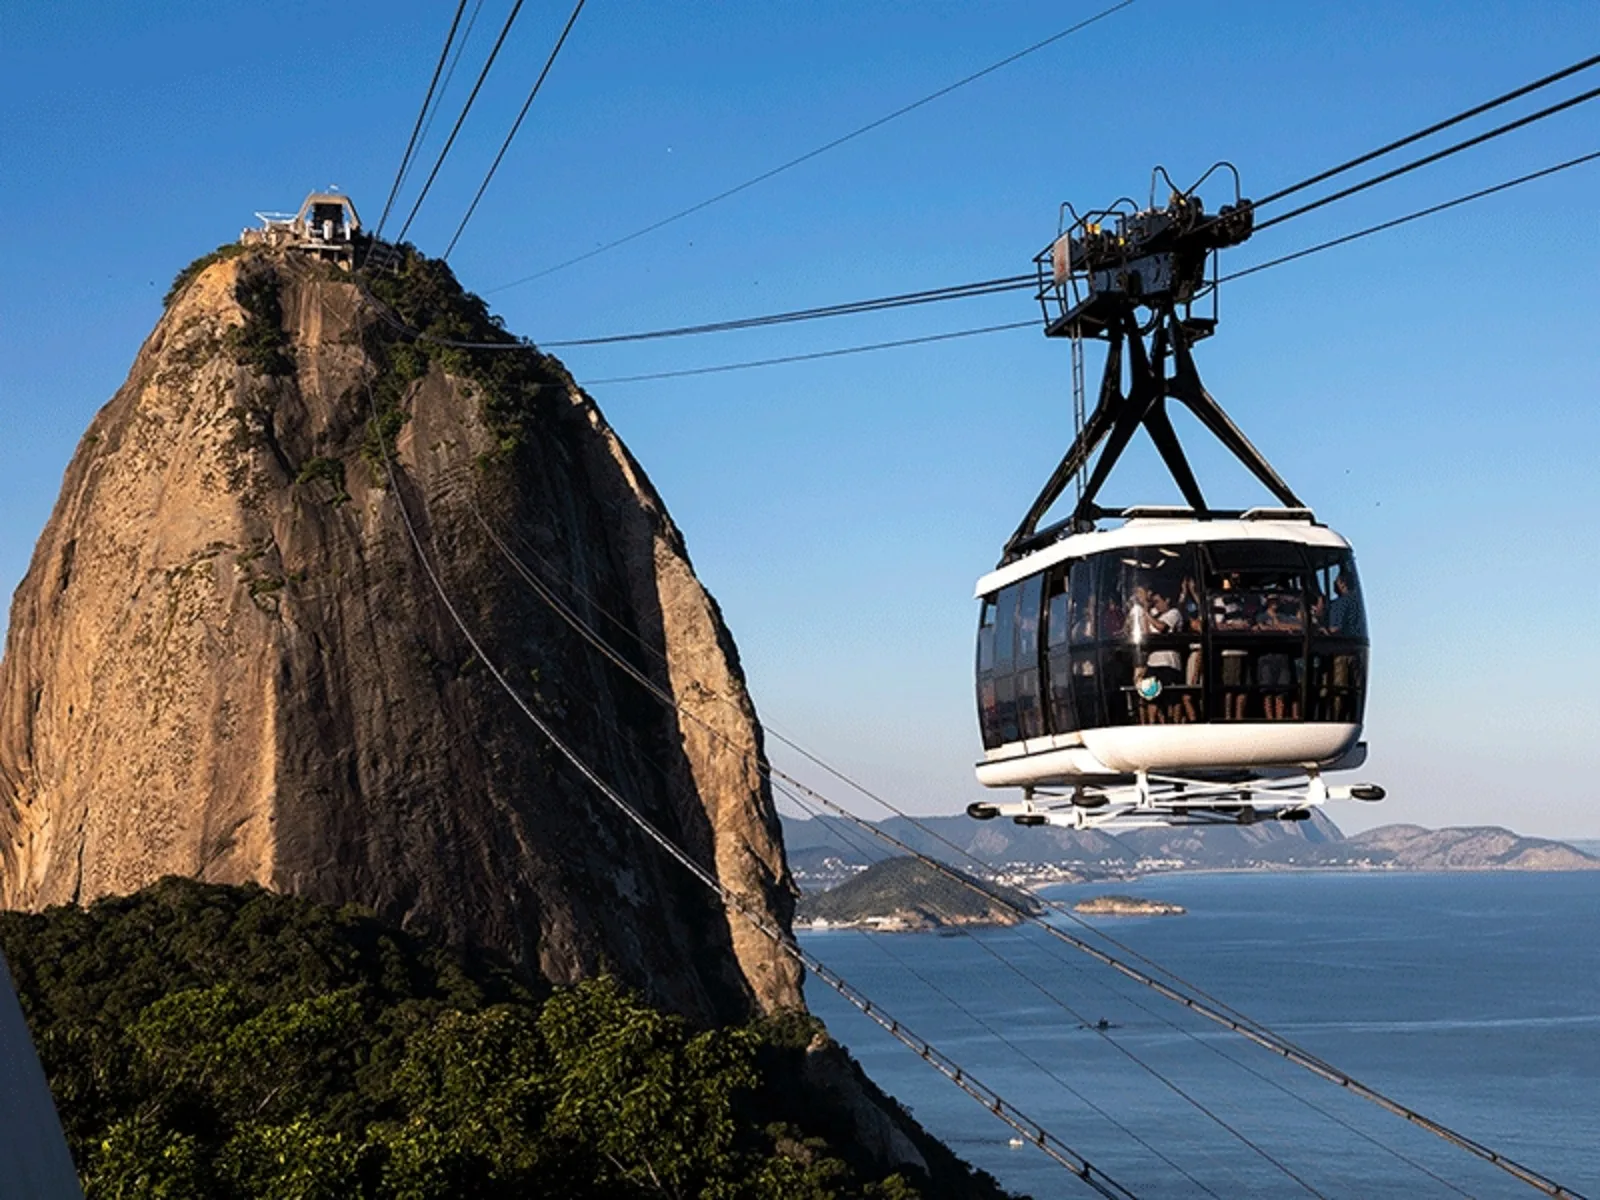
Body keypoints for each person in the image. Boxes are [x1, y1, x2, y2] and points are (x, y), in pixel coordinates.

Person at [1326, 573, 1365, 639]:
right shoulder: (1357, 601)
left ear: (1342, 584)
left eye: (1336, 583)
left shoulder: (1340, 604)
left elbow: (1335, 630)